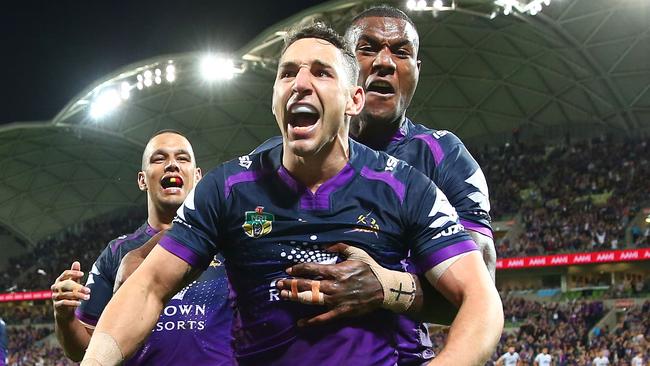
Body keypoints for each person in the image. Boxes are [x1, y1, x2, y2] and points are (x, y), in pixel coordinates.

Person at [80, 23, 502, 366]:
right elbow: (149, 285)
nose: (301, 83)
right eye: (288, 73)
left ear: (354, 99)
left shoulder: (407, 185)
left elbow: (481, 300)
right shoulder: (228, 187)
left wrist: (392, 292)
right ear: (275, 100)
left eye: (321, 72)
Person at [267, 5, 496, 364]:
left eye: (401, 52)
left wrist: (384, 288)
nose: (385, 63)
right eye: (368, 48)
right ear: (342, 66)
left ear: (416, 72)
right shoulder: (273, 161)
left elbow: (479, 291)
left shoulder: (442, 156)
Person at [51, 130, 235, 365]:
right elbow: (81, 351)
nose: (172, 165)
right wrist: (65, 318)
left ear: (198, 176)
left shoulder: (228, 244)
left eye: (182, 158)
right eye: (159, 159)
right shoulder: (116, 253)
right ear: (142, 180)